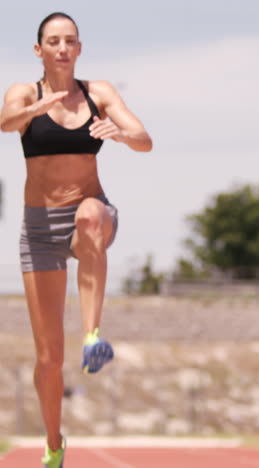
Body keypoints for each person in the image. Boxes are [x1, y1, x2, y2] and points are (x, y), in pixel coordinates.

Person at [0, 11, 152, 468]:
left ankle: (92, 335)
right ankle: (53, 442)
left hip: (92, 210)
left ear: (79, 48)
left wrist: (122, 135)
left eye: (70, 41)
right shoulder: (26, 93)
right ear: (39, 49)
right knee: (48, 359)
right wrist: (34, 112)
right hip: (41, 226)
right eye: (53, 41)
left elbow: (145, 139)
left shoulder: (98, 92)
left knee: (88, 217)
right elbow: (6, 121)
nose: (62, 48)